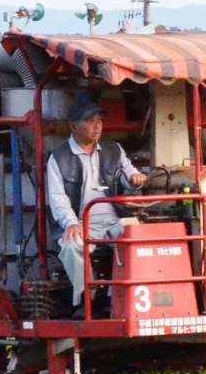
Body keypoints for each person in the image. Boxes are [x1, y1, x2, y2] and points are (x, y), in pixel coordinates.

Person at [45, 94, 147, 309]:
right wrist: (71, 223)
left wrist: (135, 179)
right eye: (90, 121)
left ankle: (116, 296)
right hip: (82, 222)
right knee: (72, 245)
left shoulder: (114, 149)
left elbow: (130, 174)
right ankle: (86, 300)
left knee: (138, 235)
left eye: (99, 120)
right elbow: (57, 198)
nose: (97, 126)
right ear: (74, 126)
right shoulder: (58, 157)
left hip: (115, 219)